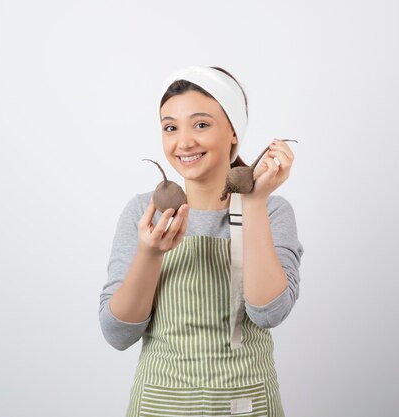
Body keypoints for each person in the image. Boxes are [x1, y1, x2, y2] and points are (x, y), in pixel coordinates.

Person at [98, 65, 304, 417]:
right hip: (160, 406)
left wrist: (253, 202)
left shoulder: (272, 211)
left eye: (202, 124)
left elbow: (269, 312)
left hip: (246, 404)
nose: (184, 141)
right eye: (170, 128)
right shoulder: (143, 212)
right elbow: (118, 335)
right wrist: (149, 253)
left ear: (234, 132)